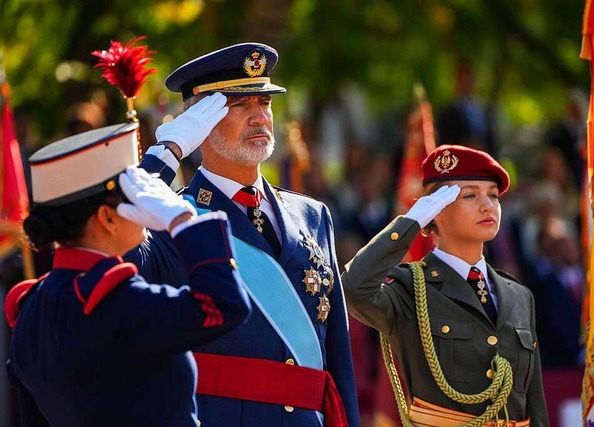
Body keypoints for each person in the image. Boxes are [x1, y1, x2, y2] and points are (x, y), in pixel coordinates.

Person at [129, 43, 359, 426]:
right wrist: (167, 153)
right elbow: (115, 243)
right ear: (198, 122)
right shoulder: (166, 216)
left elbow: (337, 356)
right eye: (239, 106)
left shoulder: (312, 215)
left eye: (264, 103)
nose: (259, 118)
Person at [4, 123, 251, 427]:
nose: (146, 204)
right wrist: (184, 222)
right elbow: (225, 305)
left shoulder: (30, 307)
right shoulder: (119, 302)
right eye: (136, 197)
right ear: (108, 218)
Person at [342, 144, 548, 426]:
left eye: (492, 195)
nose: (488, 205)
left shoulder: (518, 294)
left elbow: (534, 406)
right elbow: (354, 289)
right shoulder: (410, 287)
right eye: (470, 195)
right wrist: (412, 221)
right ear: (436, 210)